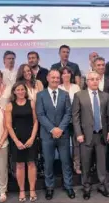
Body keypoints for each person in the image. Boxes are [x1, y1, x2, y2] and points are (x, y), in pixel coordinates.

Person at [72, 71, 109, 200]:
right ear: (87, 81)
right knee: (86, 164)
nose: (95, 81)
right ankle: (86, 187)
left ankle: (102, 186)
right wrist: (78, 133)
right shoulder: (79, 95)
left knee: (102, 164)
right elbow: (75, 117)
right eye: (92, 79)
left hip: (101, 135)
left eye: (97, 79)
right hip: (85, 136)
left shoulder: (105, 96)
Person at [35, 69, 75, 200]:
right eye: (53, 78)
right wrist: (53, 129)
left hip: (63, 135)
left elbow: (68, 113)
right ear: (47, 78)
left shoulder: (65, 94)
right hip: (47, 135)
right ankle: (49, 187)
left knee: (66, 162)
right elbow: (40, 115)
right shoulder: (40, 95)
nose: (55, 80)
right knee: (48, 163)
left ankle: (68, 186)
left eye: (58, 78)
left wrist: (60, 129)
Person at [5, 82, 39, 202]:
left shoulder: (32, 103)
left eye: (22, 89)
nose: (20, 92)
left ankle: (32, 190)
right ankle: (22, 191)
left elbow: (35, 122)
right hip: (17, 139)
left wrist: (32, 138)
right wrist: (16, 141)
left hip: (30, 137)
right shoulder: (10, 105)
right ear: (14, 92)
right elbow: (8, 125)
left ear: (25, 91)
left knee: (31, 163)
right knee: (19, 165)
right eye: (18, 90)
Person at [58, 66, 81, 174]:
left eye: (68, 73)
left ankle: (77, 166)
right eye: (64, 73)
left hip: (76, 120)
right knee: (65, 146)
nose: (66, 75)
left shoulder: (76, 87)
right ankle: (66, 167)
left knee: (77, 145)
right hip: (63, 121)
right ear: (60, 76)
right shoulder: (58, 88)